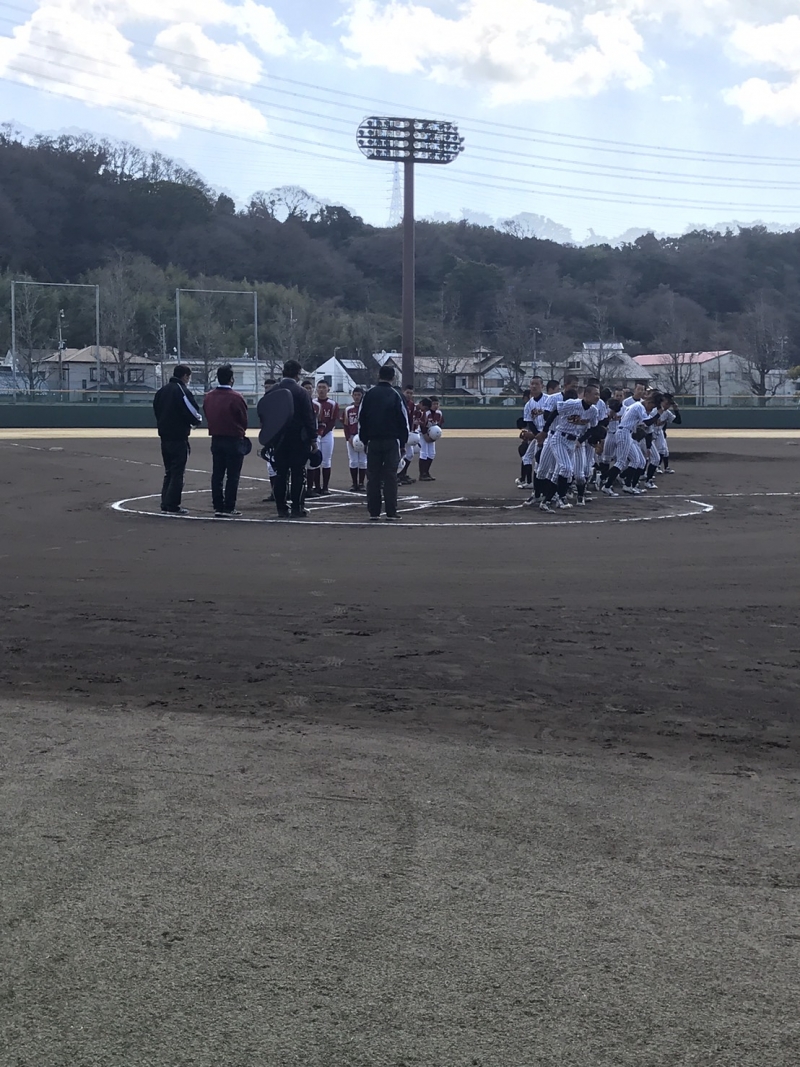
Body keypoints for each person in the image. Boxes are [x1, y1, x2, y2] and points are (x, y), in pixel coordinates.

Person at [261, 360, 319, 518]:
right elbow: (309, 418)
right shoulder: (301, 392)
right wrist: (313, 440)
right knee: (298, 474)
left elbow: (265, 416)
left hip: (278, 439)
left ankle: (281, 508)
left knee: (281, 474)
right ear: (297, 374)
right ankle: (297, 508)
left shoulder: (272, 391)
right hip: (298, 439)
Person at [358, 364, 409, 521]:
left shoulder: (368, 394)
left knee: (373, 477)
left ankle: (374, 512)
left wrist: (364, 440)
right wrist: (403, 443)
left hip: (373, 441)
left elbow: (361, 419)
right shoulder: (397, 395)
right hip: (391, 441)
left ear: (378, 376)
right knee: (390, 477)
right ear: (393, 377)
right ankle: (391, 512)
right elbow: (404, 421)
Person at [152, 363, 202, 514]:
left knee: (169, 471)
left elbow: (157, 410)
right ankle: (173, 504)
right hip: (179, 437)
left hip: (165, 437)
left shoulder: (161, 391)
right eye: (188, 377)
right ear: (185, 376)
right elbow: (192, 411)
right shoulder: (181, 390)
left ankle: (165, 503)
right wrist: (197, 421)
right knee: (177, 472)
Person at [202, 365, 249, 517]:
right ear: (231, 379)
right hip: (234, 439)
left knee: (217, 474)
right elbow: (243, 419)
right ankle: (229, 506)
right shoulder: (236, 397)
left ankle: (218, 505)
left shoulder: (209, 396)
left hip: (216, 438)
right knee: (232, 475)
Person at [314, 381, 340, 496]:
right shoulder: (313, 403)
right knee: (315, 460)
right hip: (315, 434)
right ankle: (316, 486)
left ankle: (325, 487)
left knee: (326, 460)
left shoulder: (333, 404)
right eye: (319, 387)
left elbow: (332, 421)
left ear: (328, 389)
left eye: (324, 387)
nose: (321, 390)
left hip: (327, 434)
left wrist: (323, 432)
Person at [343, 387, 367, 491]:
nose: (357, 397)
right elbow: (345, 425)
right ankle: (354, 483)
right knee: (353, 461)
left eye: (359, 395)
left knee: (363, 461)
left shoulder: (366, 408)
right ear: (352, 396)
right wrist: (348, 438)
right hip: (352, 437)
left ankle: (361, 483)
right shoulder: (348, 409)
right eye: (355, 395)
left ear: (362, 396)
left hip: (363, 437)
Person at [398, 385, 419, 485]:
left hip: (407, 432)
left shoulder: (411, 404)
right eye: (407, 393)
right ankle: (397, 475)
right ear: (403, 392)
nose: (409, 395)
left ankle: (402, 474)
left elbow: (411, 419)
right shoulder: (399, 402)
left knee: (409, 454)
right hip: (399, 433)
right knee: (400, 454)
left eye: (411, 393)